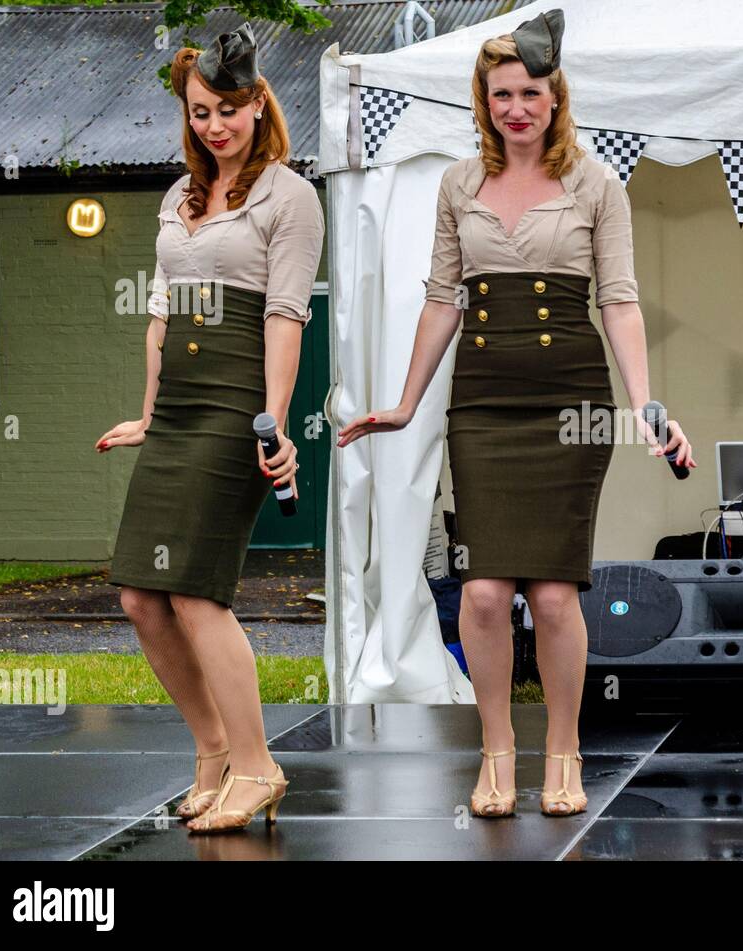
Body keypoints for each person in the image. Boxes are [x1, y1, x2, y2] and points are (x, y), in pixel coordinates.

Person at [337, 10, 697, 818]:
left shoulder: (597, 184)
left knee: (558, 594)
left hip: (569, 399)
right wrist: (403, 401)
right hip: (485, 402)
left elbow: (621, 301)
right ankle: (498, 749)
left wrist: (645, 404)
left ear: (556, 96)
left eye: (530, 91)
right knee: (486, 592)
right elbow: (440, 300)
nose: (516, 107)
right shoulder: (458, 183)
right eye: (501, 93)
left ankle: (562, 747)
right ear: (484, 100)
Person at [97, 23, 324, 833]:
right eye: (200, 113)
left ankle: (259, 766)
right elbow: (160, 315)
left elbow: (287, 317)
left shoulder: (289, 197)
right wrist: (150, 415)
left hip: (235, 404)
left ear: (259, 104)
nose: (215, 126)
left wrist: (276, 424)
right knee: (139, 594)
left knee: (195, 592)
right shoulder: (179, 197)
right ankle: (214, 747)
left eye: (229, 109)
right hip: (180, 408)